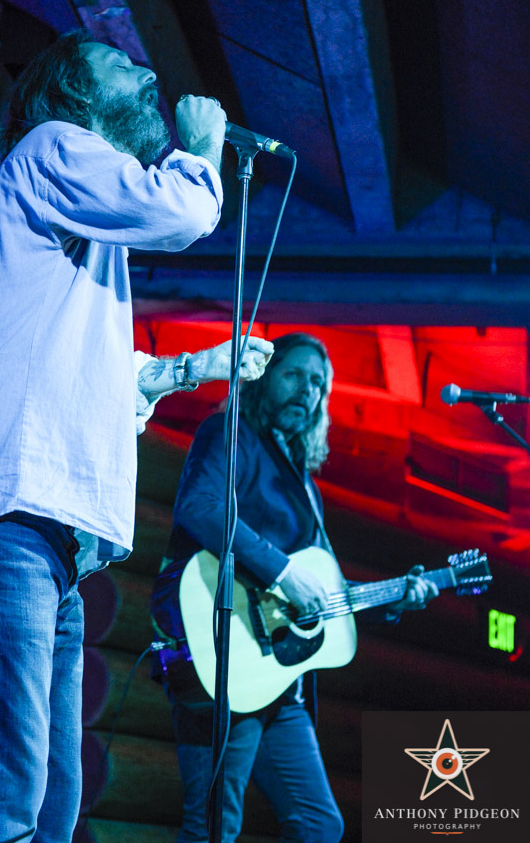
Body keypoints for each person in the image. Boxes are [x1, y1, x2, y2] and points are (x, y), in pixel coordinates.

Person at [0, 29, 273, 843]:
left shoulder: (80, 227)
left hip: (46, 536)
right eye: (120, 66)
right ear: (71, 95)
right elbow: (173, 210)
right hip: (1, 512)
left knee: (50, 803)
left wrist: (190, 368)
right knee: (1, 794)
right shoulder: (51, 146)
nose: (146, 74)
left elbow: (87, 377)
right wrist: (202, 149)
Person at [151, 332, 439, 843]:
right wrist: (283, 573)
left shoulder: (304, 486)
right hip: (225, 654)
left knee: (319, 826)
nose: (308, 390)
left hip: (281, 683)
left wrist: (394, 597)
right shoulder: (227, 432)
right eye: (295, 375)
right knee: (214, 827)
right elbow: (200, 509)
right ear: (264, 376)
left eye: (318, 384)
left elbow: (320, 596)